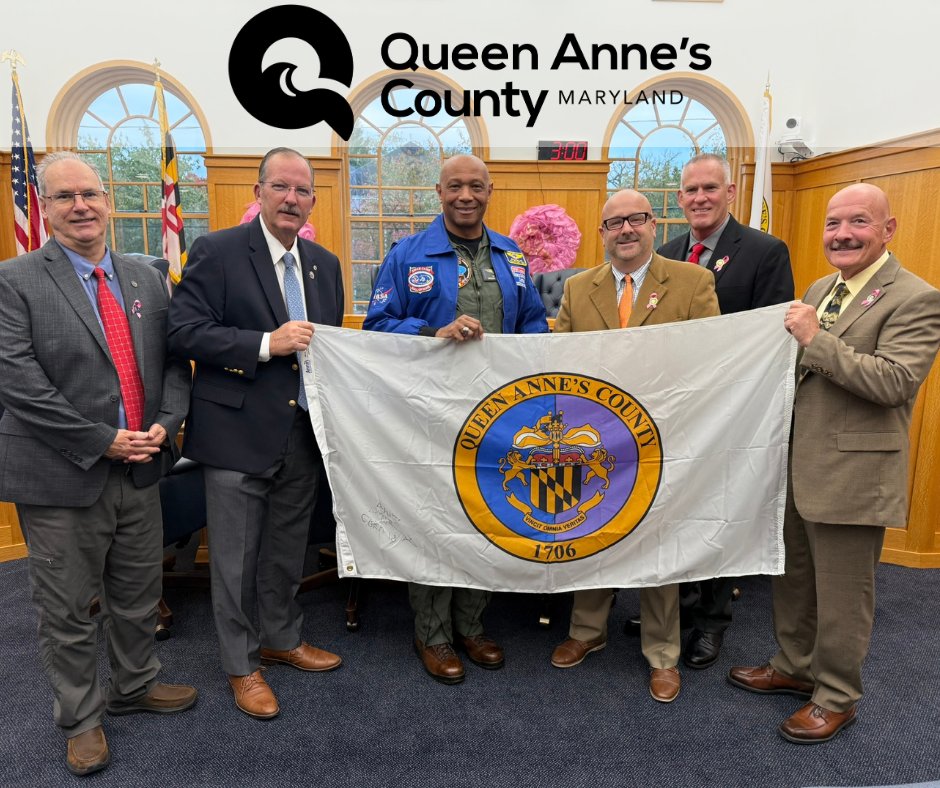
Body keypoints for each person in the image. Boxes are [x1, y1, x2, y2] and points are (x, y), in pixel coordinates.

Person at [0, 152, 196, 776]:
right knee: (67, 607)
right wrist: (100, 439)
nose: (80, 206)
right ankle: (81, 719)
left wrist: (167, 421)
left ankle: (135, 686)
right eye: (65, 197)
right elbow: (19, 384)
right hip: (60, 475)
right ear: (45, 207)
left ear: (107, 200)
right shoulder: (13, 280)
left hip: (141, 465)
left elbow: (174, 361)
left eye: (89, 193)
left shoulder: (148, 277)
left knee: (137, 594)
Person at [729, 183, 940, 743]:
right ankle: (795, 667)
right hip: (800, 464)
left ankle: (837, 696)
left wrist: (815, 338)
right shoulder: (822, 288)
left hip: (855, 473)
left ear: (888, 230)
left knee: (845, 593)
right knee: (794, 578)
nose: (842, 234)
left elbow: (894, 382)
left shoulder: (917, 298)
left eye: (858, 222)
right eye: (833, 224)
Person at [167, 147, 345, 719]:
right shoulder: (217, 251)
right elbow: (184, 332)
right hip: (235, 432)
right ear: (259, 192)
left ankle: (282, 639)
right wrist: (267, 343)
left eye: (302, 190)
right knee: (235, 560)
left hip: (302, 433)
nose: (291, 198)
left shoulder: (324, 264)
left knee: (287, 551)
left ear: (313, 200)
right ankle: (242, 665)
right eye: (281, 187)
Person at [364, 154, 548, 683]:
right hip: (430, 411)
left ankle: (471, 624)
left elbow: (534, 324)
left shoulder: (513, 256)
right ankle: (432, 633)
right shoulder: (407, 255)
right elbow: (378, 325)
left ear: (490, 191)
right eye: (455, 187)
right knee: (435, 517)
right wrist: (432, 333)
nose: (465, 196)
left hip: (498, 413)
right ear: (439, 192)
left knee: (486, 511)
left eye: (475, 186)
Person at [549, 189, 720, 703]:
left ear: (653, 225)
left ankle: (662, 653)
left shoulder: (693, 282)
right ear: (602, 232)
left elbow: (711, 359)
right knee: (590, 527)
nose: (626, 229)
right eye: (614, 222)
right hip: (596, 437)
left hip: (664, 436)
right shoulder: (578, 287)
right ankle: (587, 631)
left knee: (657, 538)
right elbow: (559, 360)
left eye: (636, 219)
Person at [657, 153, 795, 669]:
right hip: (675, 410)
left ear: (731, 192)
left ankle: (712, 622)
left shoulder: (764, 251)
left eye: (710, 188)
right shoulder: (667, 253)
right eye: (691, 190)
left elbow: (772, 335)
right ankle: (675, 608)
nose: (700, 198)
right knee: (674, 508)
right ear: (680, 198)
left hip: (731, 410)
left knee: (717, 511)